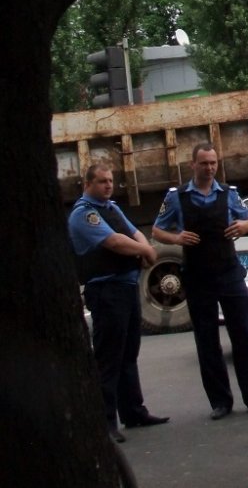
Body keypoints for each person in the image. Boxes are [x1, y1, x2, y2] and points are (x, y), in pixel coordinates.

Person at [152, 143, 248, 420]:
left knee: (244, 336)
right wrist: (176, 238)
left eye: (213, 162)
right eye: (204, 163)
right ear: (193, 164)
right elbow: (157, 230)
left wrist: (245, 226)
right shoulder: (177, 197)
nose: (209, 168)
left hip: (229, 273)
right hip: (197, 276)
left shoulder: (229, 194)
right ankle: (220, 402)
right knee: (207, 341)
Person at [69, 164, 169, 443]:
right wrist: (147, 250)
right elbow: (114, 242)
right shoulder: (84, 214)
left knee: (128, 353)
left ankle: (133, 411)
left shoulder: (111, 208)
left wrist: (143, 247)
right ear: (87, 184)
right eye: (102, 181)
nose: (108, 186)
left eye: (111, 181)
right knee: (109, 358)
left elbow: (133, 232)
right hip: (106, 290)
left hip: (125, 287)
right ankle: (105, 422)